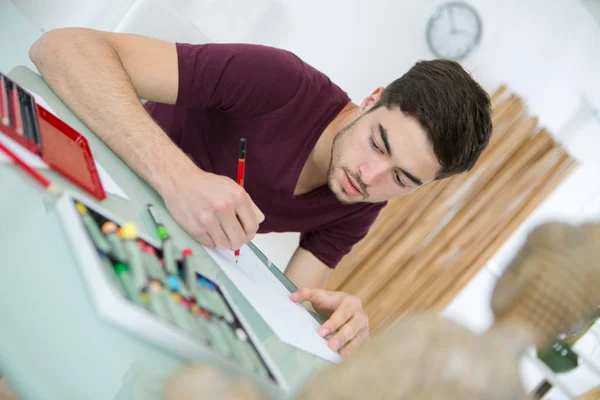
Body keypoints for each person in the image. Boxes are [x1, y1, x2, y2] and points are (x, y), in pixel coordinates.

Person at [29, 28, 492, 358]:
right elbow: (62, 48)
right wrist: (179, 179)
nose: (371, 177)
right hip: (71, 201)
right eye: (377, 142)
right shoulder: (277, 82)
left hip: (147, 275)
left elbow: (288, 308)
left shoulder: (359, 204)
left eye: (402, 180)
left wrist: (332, 325)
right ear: (371, 99)